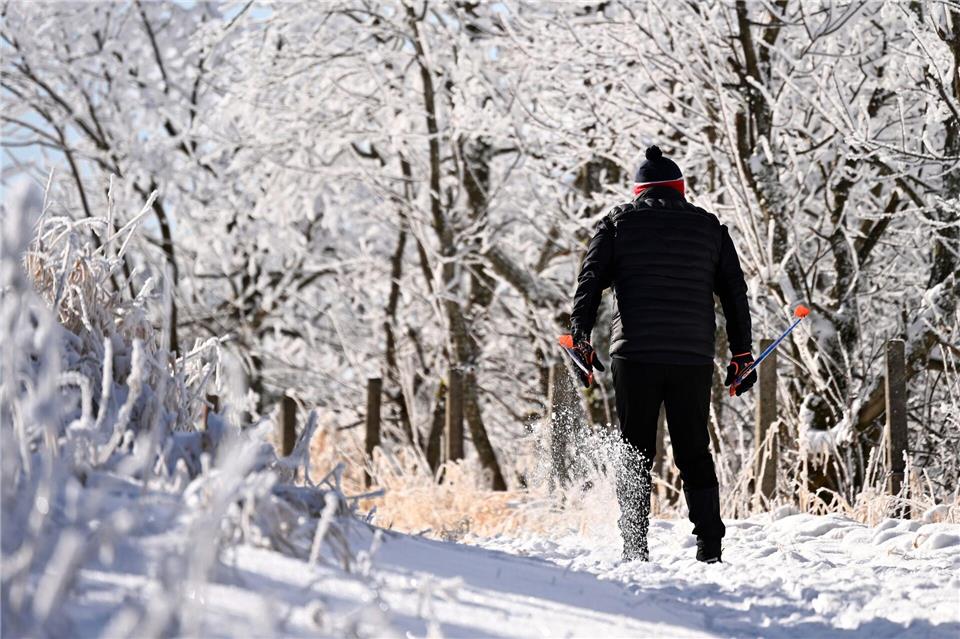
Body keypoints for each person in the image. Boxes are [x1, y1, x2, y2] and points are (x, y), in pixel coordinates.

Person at [567, 145, 755, 564]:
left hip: (635, 354)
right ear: (679, 190)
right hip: (692, 356)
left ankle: (635, 546)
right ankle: (710, 546)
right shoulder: (711, 228)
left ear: (639, 191)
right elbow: (735, 293)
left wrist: (580, 336)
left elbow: (590, 281)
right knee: (694, 450)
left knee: (635, 449)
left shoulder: (617, 224)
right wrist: (741, 354)